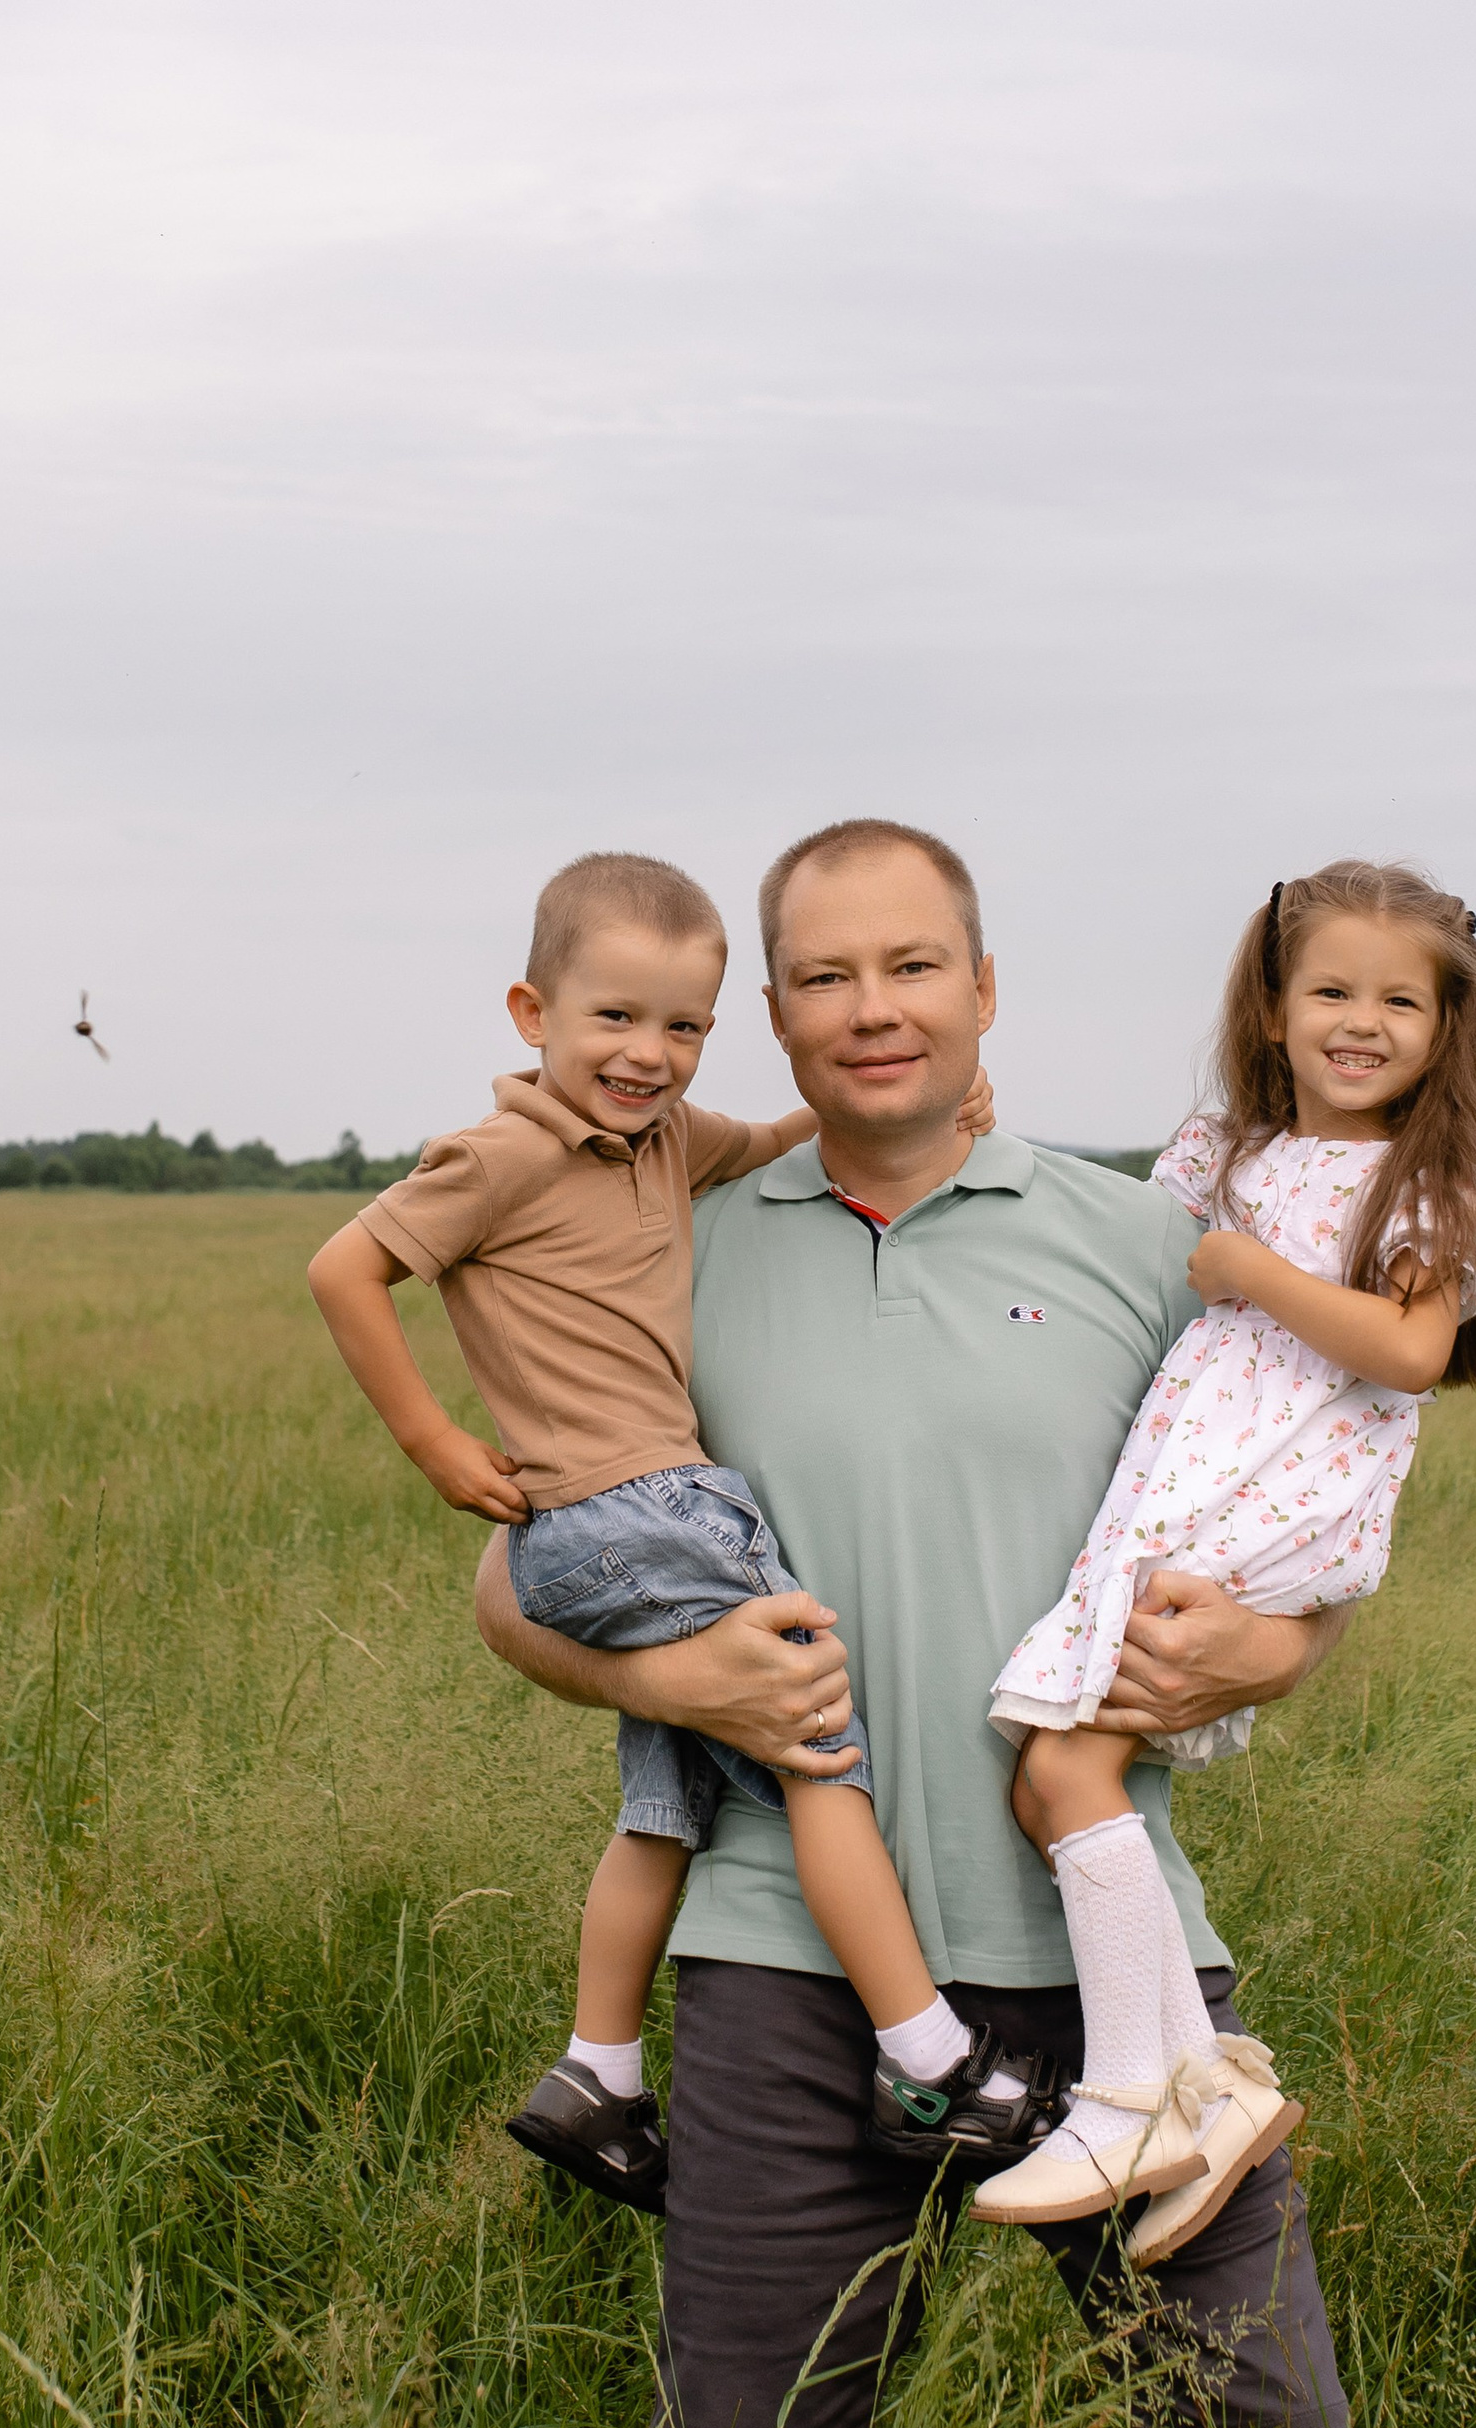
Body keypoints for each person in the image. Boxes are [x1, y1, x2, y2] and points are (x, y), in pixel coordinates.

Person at [473, 821, 1370, 2428]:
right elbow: (512, 1581)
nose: (870, 1009)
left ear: (981, 987)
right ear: (778, 1018)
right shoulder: (682, 1245)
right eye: (822, 976)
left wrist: (1274, 1652)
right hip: (775, 1977)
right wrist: (672, 1674)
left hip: (1116, 1974)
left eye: (909, 967)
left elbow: (1300, 1531)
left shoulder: (1147, 1240)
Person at [306, 853, 1048, 2218]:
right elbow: (344, 1266)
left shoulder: (667, 1139)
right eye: (615, 1019)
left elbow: (775, 1145)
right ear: (532, 1011)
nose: (649, 1056)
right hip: (642, 1507)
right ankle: (929, 2062)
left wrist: (951, 1115)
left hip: (622, 1528)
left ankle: (596, 2073)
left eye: (684, 1026)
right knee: (820, 1750)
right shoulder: (503, 1153)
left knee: (670, 1806)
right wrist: (429, 1439)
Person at [975, 862, 1476, 2255]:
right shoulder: (1226, 1149)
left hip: (1272, 1487)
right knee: (1048, 1787)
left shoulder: (1433, 1181)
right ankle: (1202, 2090)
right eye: (1332, 991)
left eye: (1399, 1001)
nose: (1362, 1022)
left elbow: (1411, 1351)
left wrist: (1257, 1277)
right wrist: (988, 1135)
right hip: (1190, 1473)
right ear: (1276, 1005)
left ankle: (1130, 2099)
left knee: (1062, 1766)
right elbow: (1118, 1232)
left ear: (1446, 1024)